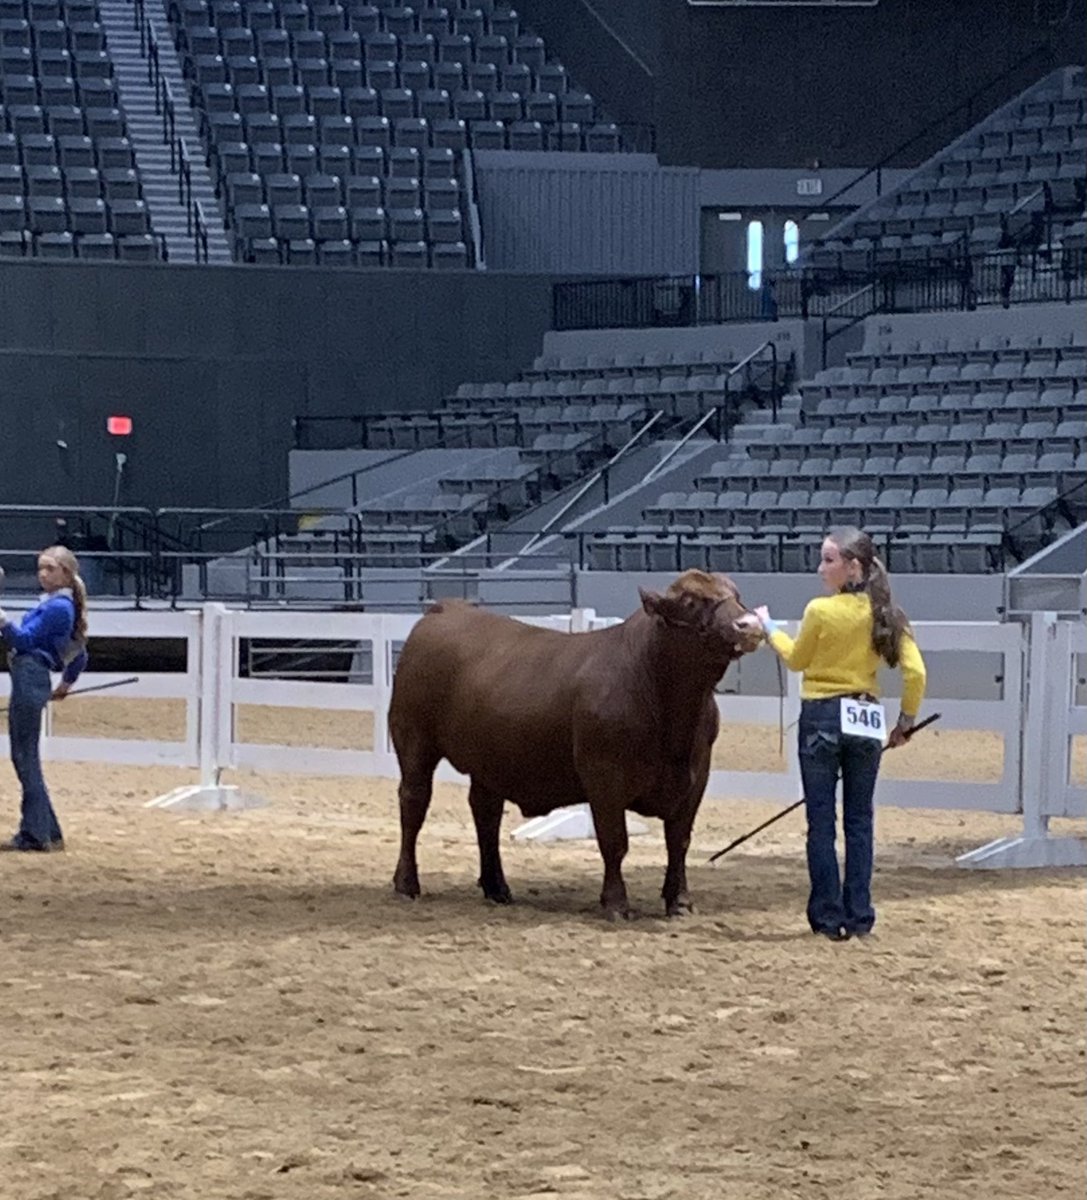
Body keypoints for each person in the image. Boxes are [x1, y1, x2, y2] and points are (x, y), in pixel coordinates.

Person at [754, 528, 926, 941]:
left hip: (822, 716)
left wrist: (768, 627)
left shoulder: (820, 611)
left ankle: (829, 918)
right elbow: (915, 673)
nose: (820, 568)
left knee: (821, 823)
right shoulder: (889, 615)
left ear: (852, 567)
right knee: (860, 822)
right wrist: (905, 722)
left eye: (828, 560)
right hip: (865, 718)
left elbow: (797, 660)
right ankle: (860, 913)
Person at [0, 546, 89, 852]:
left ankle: (36, 834)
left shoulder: (56, 609)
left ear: (65, 573)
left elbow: (23, 641)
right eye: (41, 568)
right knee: (26, 755)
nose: (42, 574)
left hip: (28, 676)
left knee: (25, 756)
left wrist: (2, 620)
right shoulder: (61, 606)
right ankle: (46, 829)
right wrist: (65, 684)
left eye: (50, 568)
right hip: (31, 678)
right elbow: (80, 653)